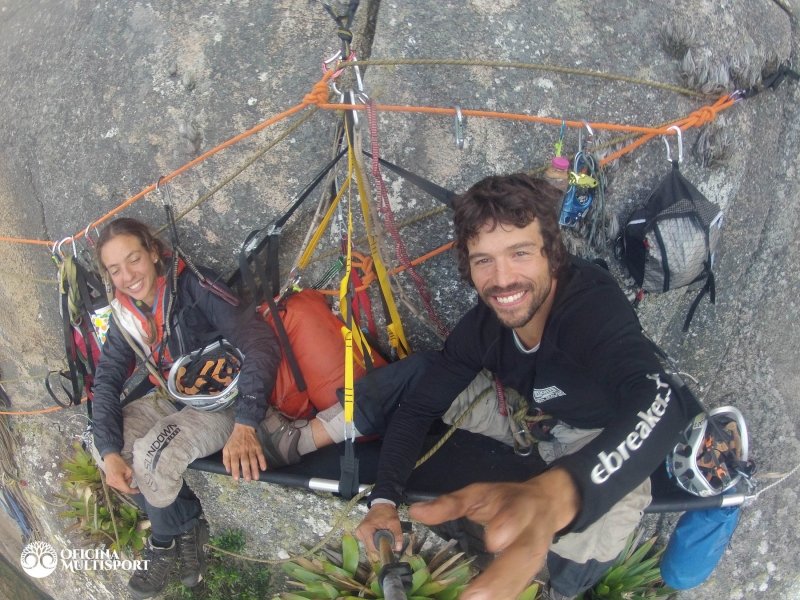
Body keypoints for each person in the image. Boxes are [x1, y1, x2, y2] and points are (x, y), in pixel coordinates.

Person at [354, 174, 699, 600]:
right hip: (530, 417)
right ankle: (309, 436)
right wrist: (384, 500)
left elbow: (663, 401)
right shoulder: (483, 327)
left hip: (597, 432)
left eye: (519, 253)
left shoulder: (591, 310)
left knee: (605, 523)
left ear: (552, 254)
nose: (502, 281)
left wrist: (561, 492)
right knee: (423, 375)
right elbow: (419, 407)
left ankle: (561, 590)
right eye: (484, 261)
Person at [91, 218, 356, 599]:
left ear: (153, 252)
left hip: (222, 401)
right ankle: (185, 525)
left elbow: (260, 342)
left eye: (133, 259)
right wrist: (109, 451)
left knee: (152, 455)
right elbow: (106, 380)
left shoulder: (195, 286)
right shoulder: (125, 313)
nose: (128, 275)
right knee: (100, 442)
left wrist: (247, 422)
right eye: (115, 269)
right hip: (175, 395)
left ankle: (165, 540)